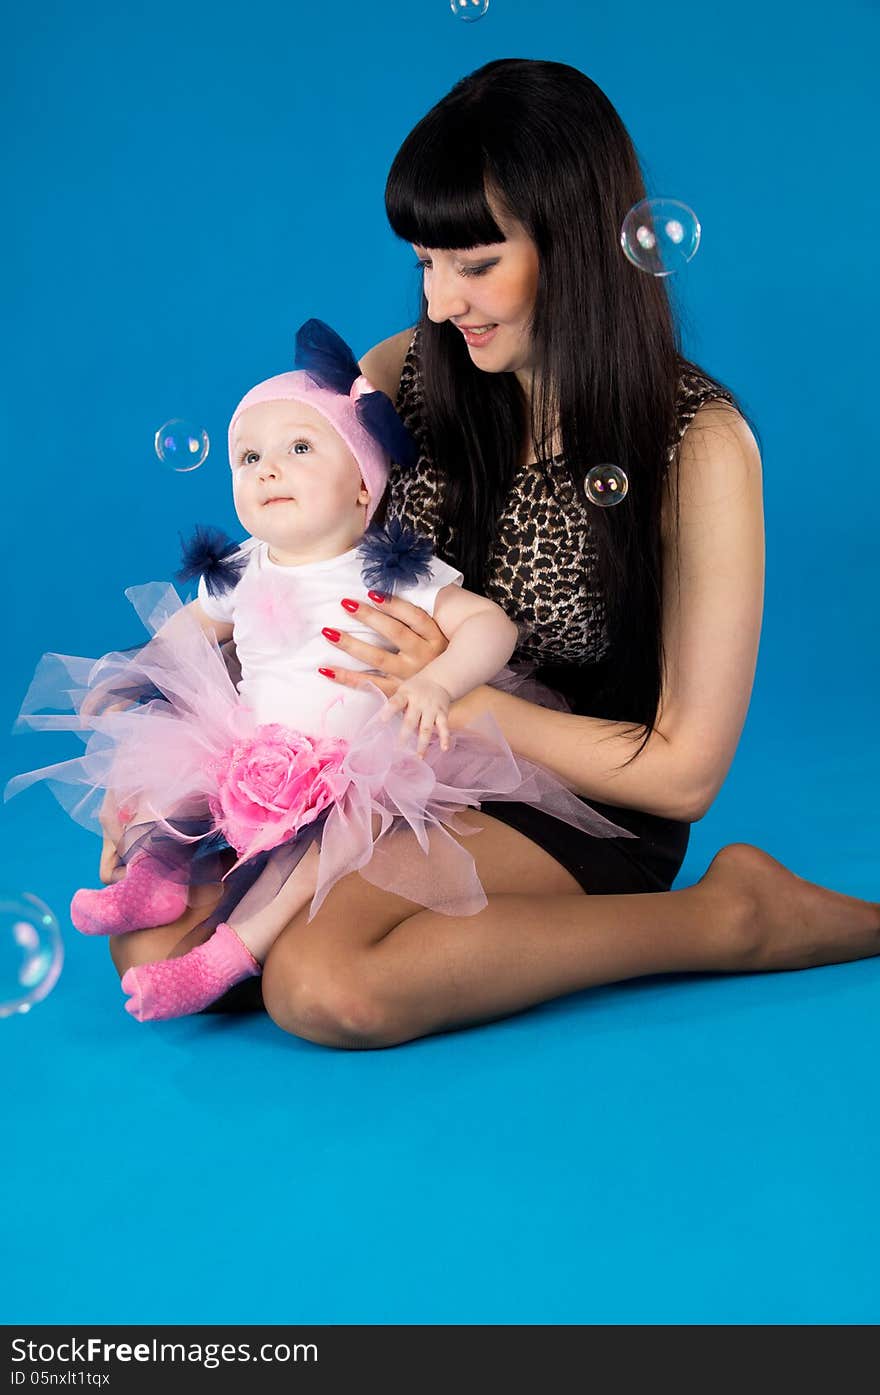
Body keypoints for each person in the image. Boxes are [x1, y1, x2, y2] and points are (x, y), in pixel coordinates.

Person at [112, 58, 878, 1048]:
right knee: (156, 949)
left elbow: (683, 773)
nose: (441, 304)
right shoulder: (397, 381)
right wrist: (167, 769)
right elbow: (284, 568)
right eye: (427, 263)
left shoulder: (693, 443)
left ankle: (730, 918)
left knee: (325, 988)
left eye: (476, 266)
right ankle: (373, 909)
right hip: (356, 760)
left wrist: (468, 704)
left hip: (574, 790)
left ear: (576, 248)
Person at [5, 317, 632, 1021]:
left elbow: (490, 625)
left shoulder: (389, 568)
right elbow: (184, 633)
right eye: (247, 457)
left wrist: (438, 680)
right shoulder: (243, 568)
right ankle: (154, 876)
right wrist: (135, 677)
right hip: (255, 752)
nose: (266, 467)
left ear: (365, 489)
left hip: (358, 768)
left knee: (309, 868)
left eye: (298, 448)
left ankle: (231, 953)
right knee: (171, 766)